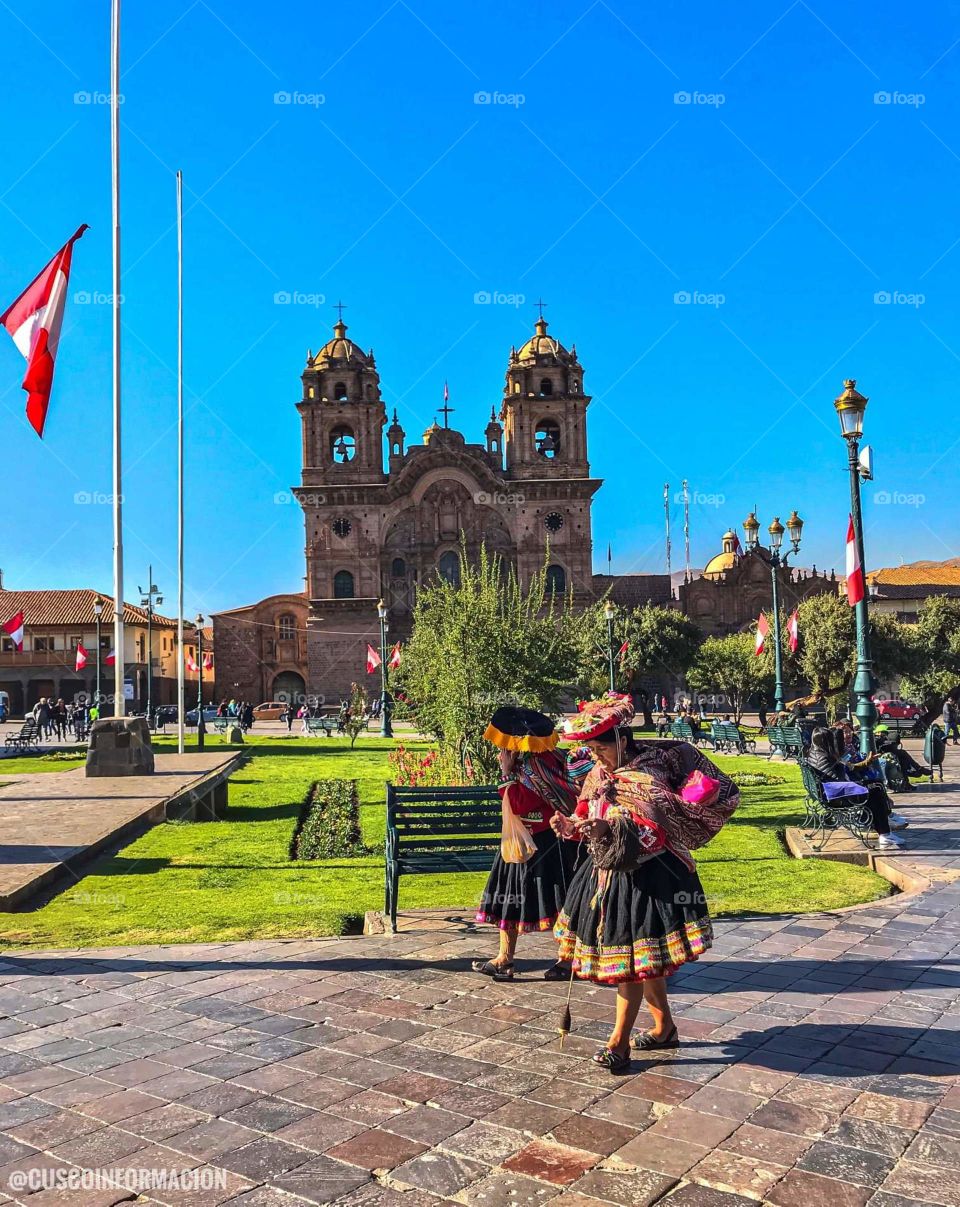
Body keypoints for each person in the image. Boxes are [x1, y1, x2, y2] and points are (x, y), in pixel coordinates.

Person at [552, 693, 738, 1073]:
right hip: (605, 876)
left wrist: (609, 827)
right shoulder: (598, 774)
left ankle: (618, 1043)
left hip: (651, 877)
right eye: (590, 749)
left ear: (621, 740)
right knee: (644, 961)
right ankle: (663, 1027)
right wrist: (570, 827)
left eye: (599, 748)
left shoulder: (650, 770)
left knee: (632, 962)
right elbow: (584, 815)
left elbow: (652, 828)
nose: (595, 756)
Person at [473, 707, 582, 981]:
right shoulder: (534, 763)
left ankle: (566, 959)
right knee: (508, 900)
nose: (501, 748)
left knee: (558, 902)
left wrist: (506, 773)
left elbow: (519, 804)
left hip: (545, 845)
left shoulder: (538, 767)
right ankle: (504, 958)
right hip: (520, 842)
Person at [806, 727, 903, 848]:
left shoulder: (817, 753)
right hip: (835, 797)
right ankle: (885, 832)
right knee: (876, 792)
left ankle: (885, 821)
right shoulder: (823, 757)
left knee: (875, 784)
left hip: (831, 792)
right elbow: (838, 779)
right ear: (825, 741)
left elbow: (847, 767)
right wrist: (859, 784)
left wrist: (867, 762)